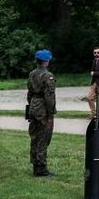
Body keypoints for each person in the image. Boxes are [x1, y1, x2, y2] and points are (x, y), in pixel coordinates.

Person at [27, 49, 57, 177]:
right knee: (43, 138)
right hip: (43, 108)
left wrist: (31, 106)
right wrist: (51, 113)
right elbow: (49, 96)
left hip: (33, 106)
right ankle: (41, 167)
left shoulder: (32, 74)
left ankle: (35, 164)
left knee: (34, 137)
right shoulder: (47, 75)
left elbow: (29, 93)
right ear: (46, 61)